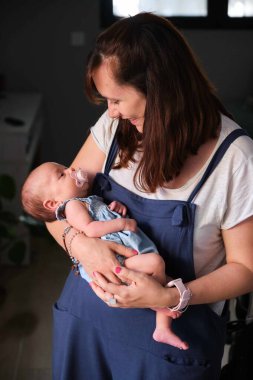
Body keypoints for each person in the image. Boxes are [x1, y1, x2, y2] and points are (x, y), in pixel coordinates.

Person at [45, 12, 253, 380]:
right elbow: (56, 210)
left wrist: (169, 297)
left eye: (117, 99)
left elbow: (246, 270)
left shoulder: (235, 159)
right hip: (86, 329)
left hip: (165, 355)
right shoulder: (114, 127)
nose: (110, 112)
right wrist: (82, 247)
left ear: (161, 90)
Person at [21, 161, 189, 350]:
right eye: (62, 174)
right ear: (52, 203)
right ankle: (157, 306)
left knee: (168, 282)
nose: (71, 170)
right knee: (156, 264)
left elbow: (100, 217)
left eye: (66, 167)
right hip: (117, 262)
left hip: (124, 256)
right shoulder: (71, 206)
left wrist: (114, 209)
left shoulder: (87, 200)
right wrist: (122, 224)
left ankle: (162, 327)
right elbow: (91, 229)